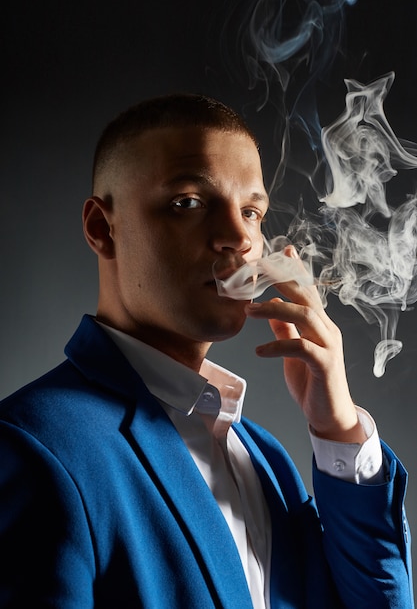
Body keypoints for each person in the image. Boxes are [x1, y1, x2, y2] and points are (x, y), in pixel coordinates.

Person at [0, 93, 413, 608]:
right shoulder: (31, 447)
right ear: (101, 228)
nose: (239, 237)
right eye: (188, 203)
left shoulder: (266, 462)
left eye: (252, 211)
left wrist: (339, 432)